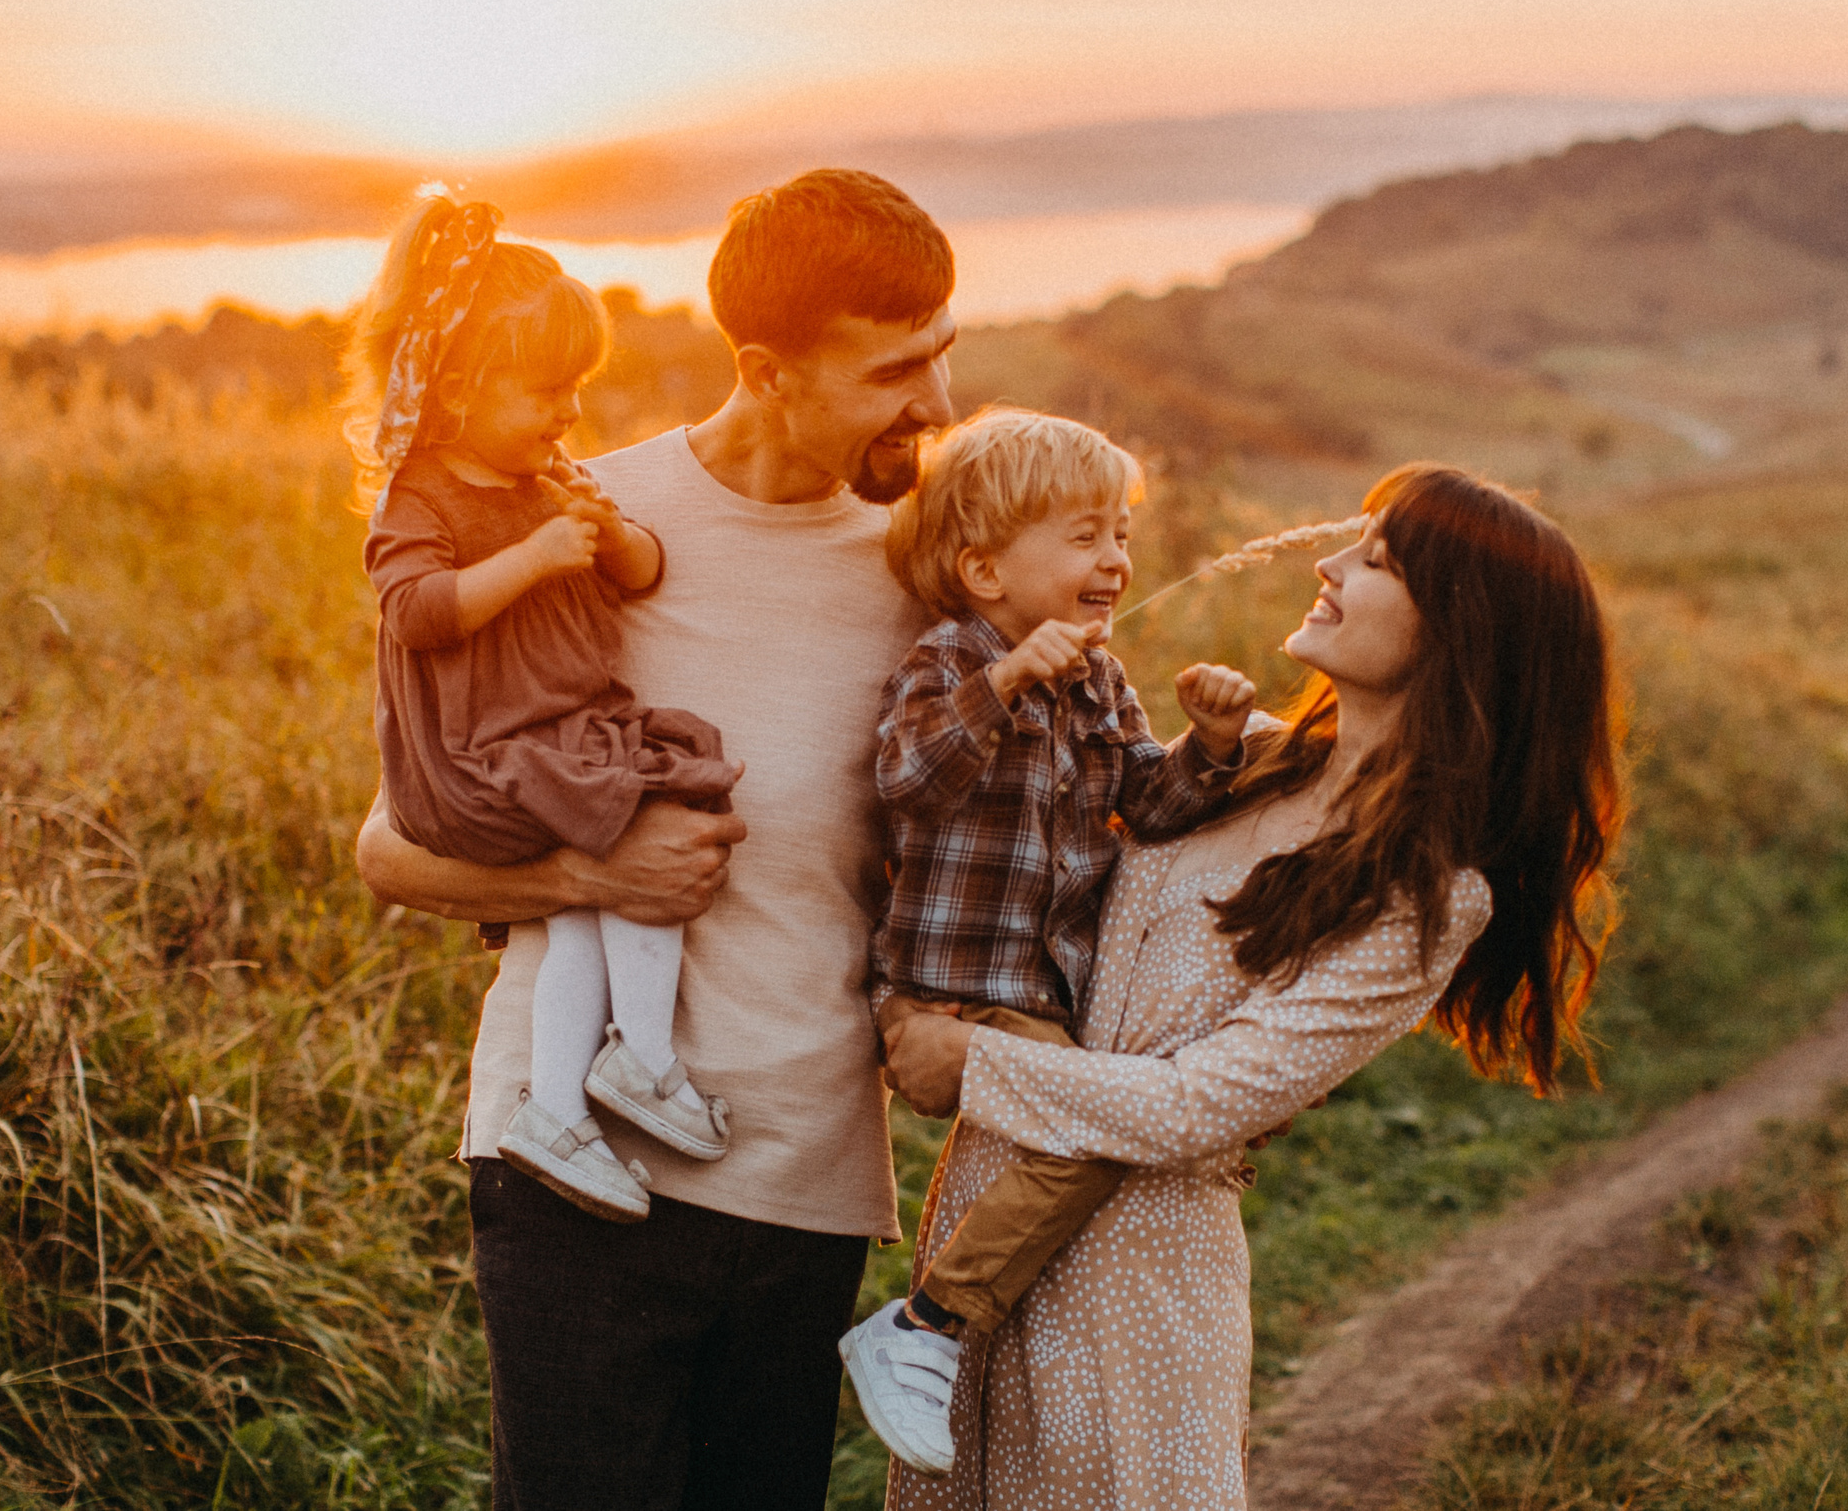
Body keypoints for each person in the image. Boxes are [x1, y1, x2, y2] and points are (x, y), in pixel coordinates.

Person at [353, 169, 958, 1510]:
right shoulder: (564, 517)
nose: (935, 401)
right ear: (768, 371)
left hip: (801, 1177)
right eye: (894, 369)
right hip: (571, 1171)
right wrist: (586, 873)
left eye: (942, 352)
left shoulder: (929, 572)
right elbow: (390, 846)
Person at [879, 463, 1624, 1509]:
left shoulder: (1426, 896)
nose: (1329, 564)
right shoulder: (1244, 759)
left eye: (1377, 561)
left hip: (1135, 1279)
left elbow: (1199, 1103)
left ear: (1461, 631)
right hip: (982, 1220)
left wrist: (967, 1057)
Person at [837, 407, 1260, 1474]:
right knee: (1098, 1127)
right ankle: (928, 1324)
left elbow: (1148, 809)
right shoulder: (948, 659)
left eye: (1121, 534)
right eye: (1084, 536)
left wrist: (1209, 749)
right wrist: (1006, 682)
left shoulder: (1101, 681)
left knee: (1089, 1128)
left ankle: (958, 1341)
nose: (1115, 560)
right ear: (984, 570)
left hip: (1039, 991)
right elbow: (907, 778)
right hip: (950, 986)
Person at [349, 192, 740, 1226]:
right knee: (633, 839)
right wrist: (533, 556)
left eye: (576, 388)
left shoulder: (544, 476)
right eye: (543, 390)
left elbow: (644, 571)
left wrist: (608, 536)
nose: (567, 412)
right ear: (459, 389)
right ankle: (636, 1062)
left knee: (603, 885)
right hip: (485, 753)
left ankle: (565, 1107)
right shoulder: (422, 496)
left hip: (561, 736)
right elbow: (417, 611)